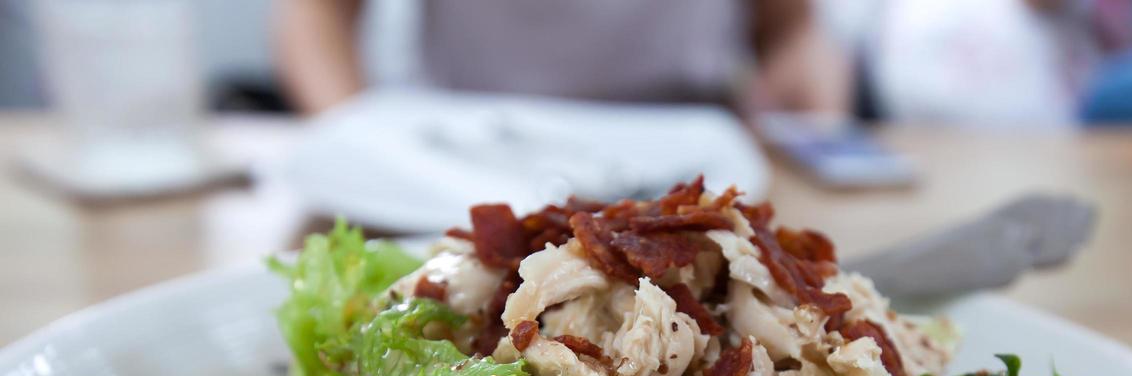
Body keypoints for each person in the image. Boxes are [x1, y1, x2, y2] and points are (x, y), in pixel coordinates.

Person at [273, 0, 852, 115]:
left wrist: (812, 111)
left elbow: (791, 31)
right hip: (468, 146)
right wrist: (354, 131)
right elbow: (315, 14)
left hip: (694, 157)